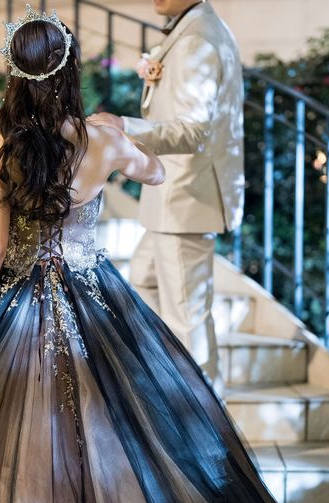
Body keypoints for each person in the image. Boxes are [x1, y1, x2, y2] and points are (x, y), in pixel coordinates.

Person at [0, 6, 329, 503]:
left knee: (8, 449)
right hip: (95, 302)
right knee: (114, 440)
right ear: (70, 72)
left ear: (13, 73)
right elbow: (157, 172)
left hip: (13, 305)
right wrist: (122, 128)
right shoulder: (101, 142)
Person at [90, 0, 244, 392]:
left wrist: (123, 126)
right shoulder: (195, 29)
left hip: (185, 199)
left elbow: (193, 131)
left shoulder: (197, 39)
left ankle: (204, 414)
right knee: (142, 284)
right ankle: (165, 383)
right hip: (173, 201)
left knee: (188, 319)